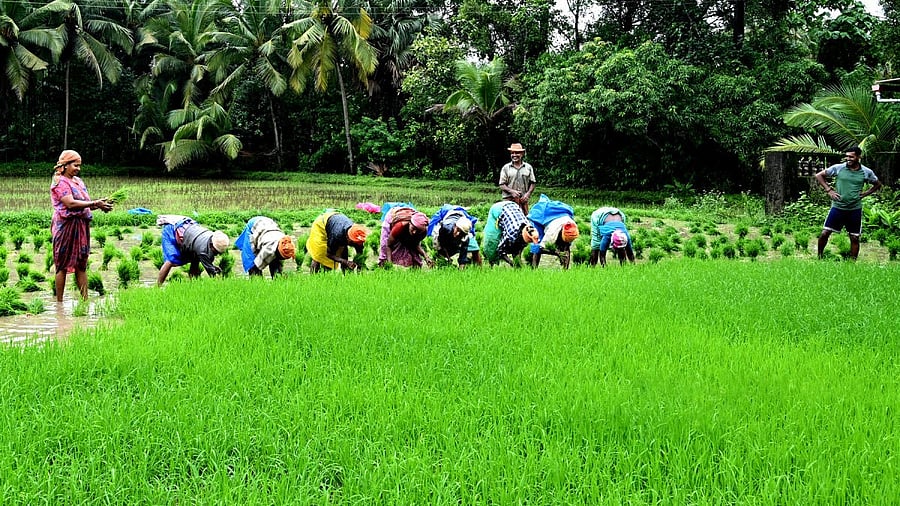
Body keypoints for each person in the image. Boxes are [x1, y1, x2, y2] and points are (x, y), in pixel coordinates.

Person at [50, 150, 113, 302]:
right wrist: (94, 203)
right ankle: (59, 303)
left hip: (81, 226)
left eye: (79, 165)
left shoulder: (78, 181)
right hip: (65, 226)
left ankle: (85, 301)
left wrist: (101, 204)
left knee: (81, 263)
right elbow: (70, 203)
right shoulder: (59, 181)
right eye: (75, 165)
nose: (78, 168)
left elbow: (86, 204)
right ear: (64, 165)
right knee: (62, 264)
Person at [815, 146, 882, 260]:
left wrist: (865, 193)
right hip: (838, 207)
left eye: (851, 156)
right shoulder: (838, 168)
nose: (848, 159)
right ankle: (819, 257)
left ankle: (852, 263)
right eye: (847, 156)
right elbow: (819, 175)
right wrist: (829, 190)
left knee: (854, 238)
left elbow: (877, 184)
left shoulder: (866, 172)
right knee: (824, 233)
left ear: (859, 157)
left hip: (854, 209)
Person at [157, 215, 230, 285]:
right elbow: (211, 273)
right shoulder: (203, 250)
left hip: (189, 231)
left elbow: (207, 261)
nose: (216, 254)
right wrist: (219, 281)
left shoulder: (211, 238)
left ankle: (193, 285)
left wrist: (212, 266)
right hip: (173, 229)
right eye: (216, 252)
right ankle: (158, 287)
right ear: (211, 245)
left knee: (195, 260)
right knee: (171, 259)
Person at [527, 194, 580, 269]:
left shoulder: (572, 228)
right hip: (541, 215)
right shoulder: (552, 231)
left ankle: (565, 271)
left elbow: (567, 248)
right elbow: (541, 247)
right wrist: (557, 253)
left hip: (559, 213)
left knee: (565, 246)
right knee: (537, 243)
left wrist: (564, 257)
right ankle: (533, 269)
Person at [483, 200, 540, 267]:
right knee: (492, 241)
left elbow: (518, 248)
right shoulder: (512, 234)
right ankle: (490, 265)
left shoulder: (530, 228)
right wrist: (512, 263)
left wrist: (518, 261)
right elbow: (500, 250)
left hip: (513, 206)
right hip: (498, 209)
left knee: (516, 246)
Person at [498, 143, 536, 214]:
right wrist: (512, 191)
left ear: (522, 154)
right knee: (510, 221)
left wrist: (527, 194)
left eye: (517, 153)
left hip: (523, 200)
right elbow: (502, 184)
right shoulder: (506, 168)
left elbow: (533, 183)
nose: (514, 155)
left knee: (525, 221)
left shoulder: (528, 167)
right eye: (512, 153)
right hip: (508, 201)